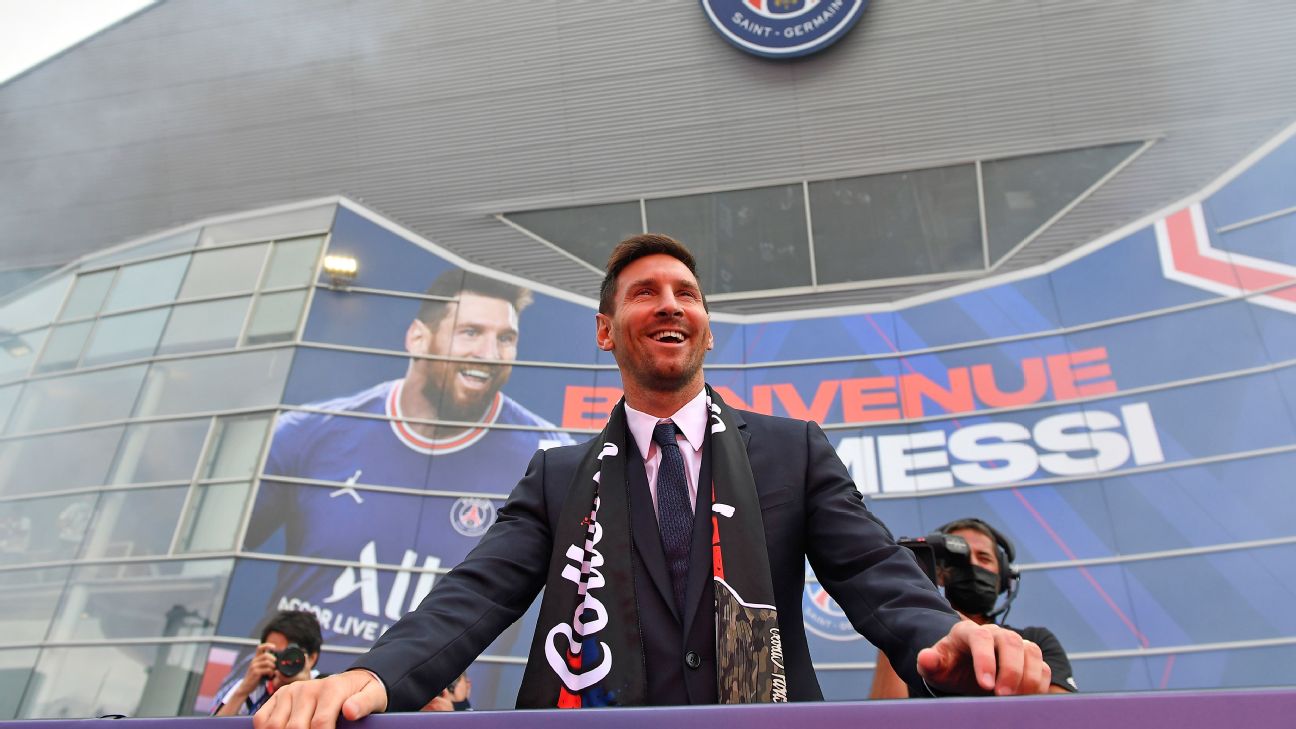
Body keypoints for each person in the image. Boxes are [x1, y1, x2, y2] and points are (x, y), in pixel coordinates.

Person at [253, 234, 1048, 728]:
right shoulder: (558, 474)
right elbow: (474, 594)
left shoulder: (791, 451)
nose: (671, 304)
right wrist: (371, 675)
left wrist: (945, 635)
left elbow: (874, 571)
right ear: (606, 330)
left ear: (705, 324)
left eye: (687, 294)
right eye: (645, 292)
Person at [244, 269, 573, 646]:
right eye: (470, 332)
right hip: (287, 698)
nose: (489, 354)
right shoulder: (310, 432)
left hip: (435, 704)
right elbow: (219, 556)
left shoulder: (547, 457)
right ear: (418, 337)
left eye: (505, 338)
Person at [869, 518, 1077, 698]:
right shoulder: (916, 647)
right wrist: (900, 617)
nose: (971, 565)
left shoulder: (1035, 640)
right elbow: (885, 719)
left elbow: (1065, 716)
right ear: (941, 574)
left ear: (1004, 576)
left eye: (983, 558)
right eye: (961, 558)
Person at [213, 610, 324, 716]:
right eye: (273, 653)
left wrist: (303, 690)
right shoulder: (252, 688)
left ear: (312, 658)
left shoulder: (326, 687)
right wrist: (243, 691)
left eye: (289, 654)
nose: (282, 661)